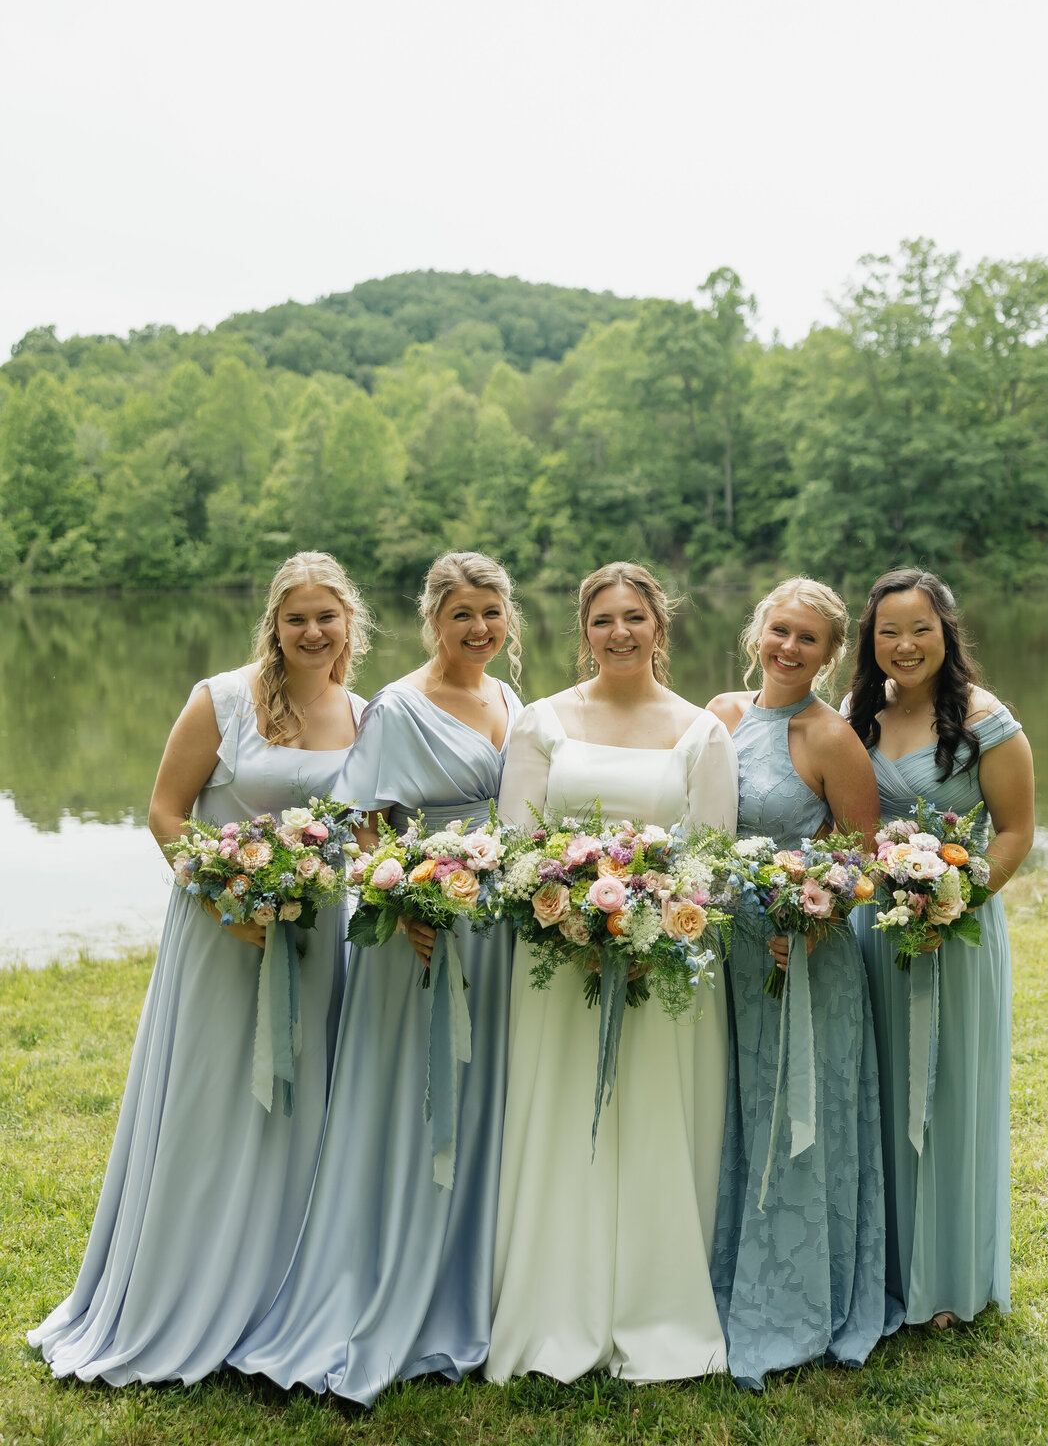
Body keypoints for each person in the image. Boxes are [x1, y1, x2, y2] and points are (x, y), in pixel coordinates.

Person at [29, 552, 371, 1385]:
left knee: (305, 1106)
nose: (312, 631)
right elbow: (166, 813)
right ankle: (179, 1291)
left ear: (349, 622)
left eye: (326, 615)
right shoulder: (222, 698)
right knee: (214, 1099)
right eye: (297, 617)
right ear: (274, 623)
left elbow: (366, 832)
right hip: (224, 933)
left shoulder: (366, 713)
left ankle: (281, 1298)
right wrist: (230, 897)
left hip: (320, 935)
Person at [230, 551, 522, 1403]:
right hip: (422, 933)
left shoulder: (509, 699)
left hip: (497, 925)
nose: (478, 629)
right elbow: (361, 819)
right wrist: (413, 899)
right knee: (411, 1098)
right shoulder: (399, 705)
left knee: (480, 1096)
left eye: (491, 613)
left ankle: (474, 1279)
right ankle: (391, 1280)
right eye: (461, 613)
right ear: (433, 618)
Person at [486, 562, 738, 1384]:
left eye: (635, 617)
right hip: (558, 959)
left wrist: (648, 922)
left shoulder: (702, 731)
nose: (620, 632)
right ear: (583, 631)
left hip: (665, 961)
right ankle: (556, 1304)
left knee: (655, 1117)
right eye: (603, 620)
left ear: (660, 628)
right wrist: (578, 916)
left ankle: (657, 1303)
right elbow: (518, 844)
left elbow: (710, 861)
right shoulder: (541, 723)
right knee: (564, 1117)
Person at [844, 567, 1035, 1331]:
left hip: (956, 936)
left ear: (947, 632)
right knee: (883, 1091)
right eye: (888, 631)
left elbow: (1016, 831)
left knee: (949, 1092)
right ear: (871, 641)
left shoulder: (989, 723)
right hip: (873, 936)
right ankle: (886, 1270)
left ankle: (950, 1278)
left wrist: (959, 900)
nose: (905, 644)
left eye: (920, 627)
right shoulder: (860, 715)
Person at [707, 576, 886, 1386]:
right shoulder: (718, 714)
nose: (789, 647)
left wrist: (808, 926)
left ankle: (796, 1300)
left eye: (808, 639)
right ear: (757, 631)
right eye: (780, 629)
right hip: (718, 951)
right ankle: (712, 1283)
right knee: (729, 1110)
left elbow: (860, 857)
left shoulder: (830, 736)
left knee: (791, 1117)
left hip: (797, 956)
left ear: (831, 654)